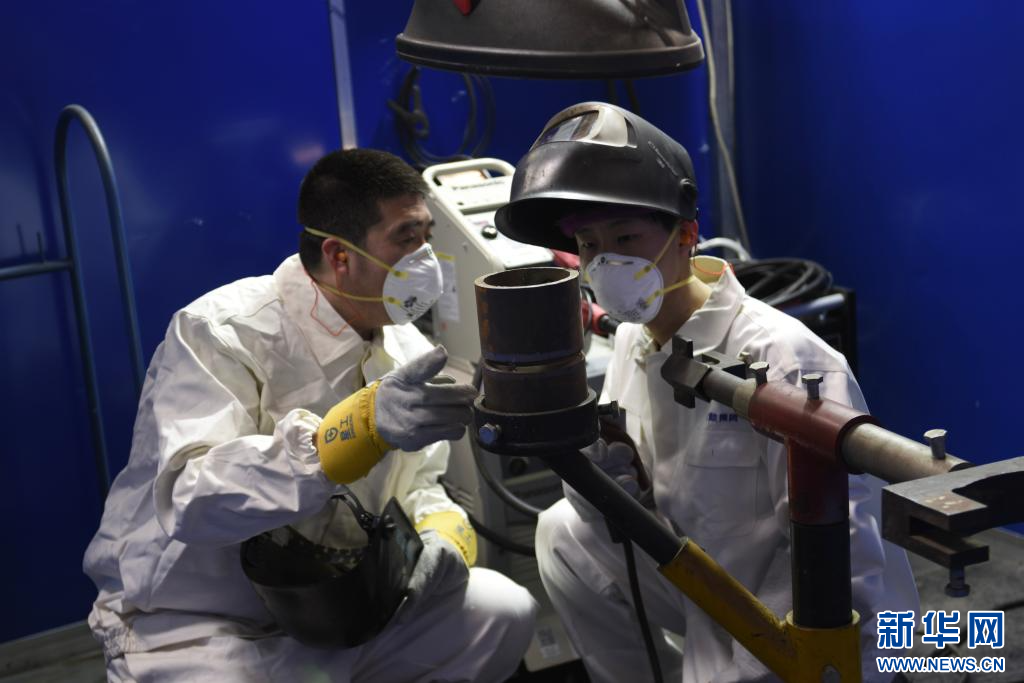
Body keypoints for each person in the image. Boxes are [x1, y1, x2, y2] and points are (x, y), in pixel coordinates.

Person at [495, 102, 919, 683]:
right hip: (701, 579)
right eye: (590, 244)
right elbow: (637, 506)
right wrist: (608, 489)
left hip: (802, 614)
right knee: (563, 533)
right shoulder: (635, 340)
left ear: (686, 235)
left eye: (626, 236)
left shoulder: (786, 360)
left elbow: (849, 563)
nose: (606, 261)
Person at [83, 148, 537, 682]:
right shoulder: (224, 332)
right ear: (339, 255)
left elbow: (418, 484)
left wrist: (441, 530)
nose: (424, 259)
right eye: (405, 238)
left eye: (426, 237)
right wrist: (348, 437)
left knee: (500, 612)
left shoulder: (407, 350)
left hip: (343, 614)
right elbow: (190, 500)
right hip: (196, 628)